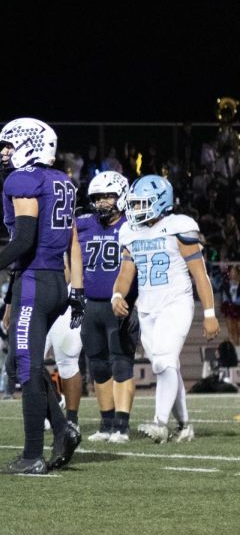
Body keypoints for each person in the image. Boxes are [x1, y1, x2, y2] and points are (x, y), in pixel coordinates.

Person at [0, 117, 85, 475]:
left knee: (26, 368)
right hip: (52, 281)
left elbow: (24, 241)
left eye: (8, 146)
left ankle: (31, 456)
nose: (3, 154)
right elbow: (57, 240)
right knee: (18, 363)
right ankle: (62, 429)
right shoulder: (62, 181)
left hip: (36, 281)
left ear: (29, 145)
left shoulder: (23, 179)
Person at [113, 175, 219, 443]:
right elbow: (127, 272)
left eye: (141, 203)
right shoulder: (131, 232)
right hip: (147, 308)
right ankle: (185, 426)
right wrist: (117, 294)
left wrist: (209, 313)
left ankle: (160, 422)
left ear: (160, 202)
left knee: (163, 362)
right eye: (134, 204)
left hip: (176, 303)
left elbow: (200, 274)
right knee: (167, 365)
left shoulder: (178, 227)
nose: (136, 209)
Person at [75, 171, 135, 443]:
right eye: (98, 197)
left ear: (122, 195)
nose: (102, 202)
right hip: (91, 305)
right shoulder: (85, 224)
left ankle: (122, 425)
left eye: (108, 196)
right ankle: (107, 422)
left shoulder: (133, 226)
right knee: (98, 366)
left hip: (120, 305)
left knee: (121, 363)